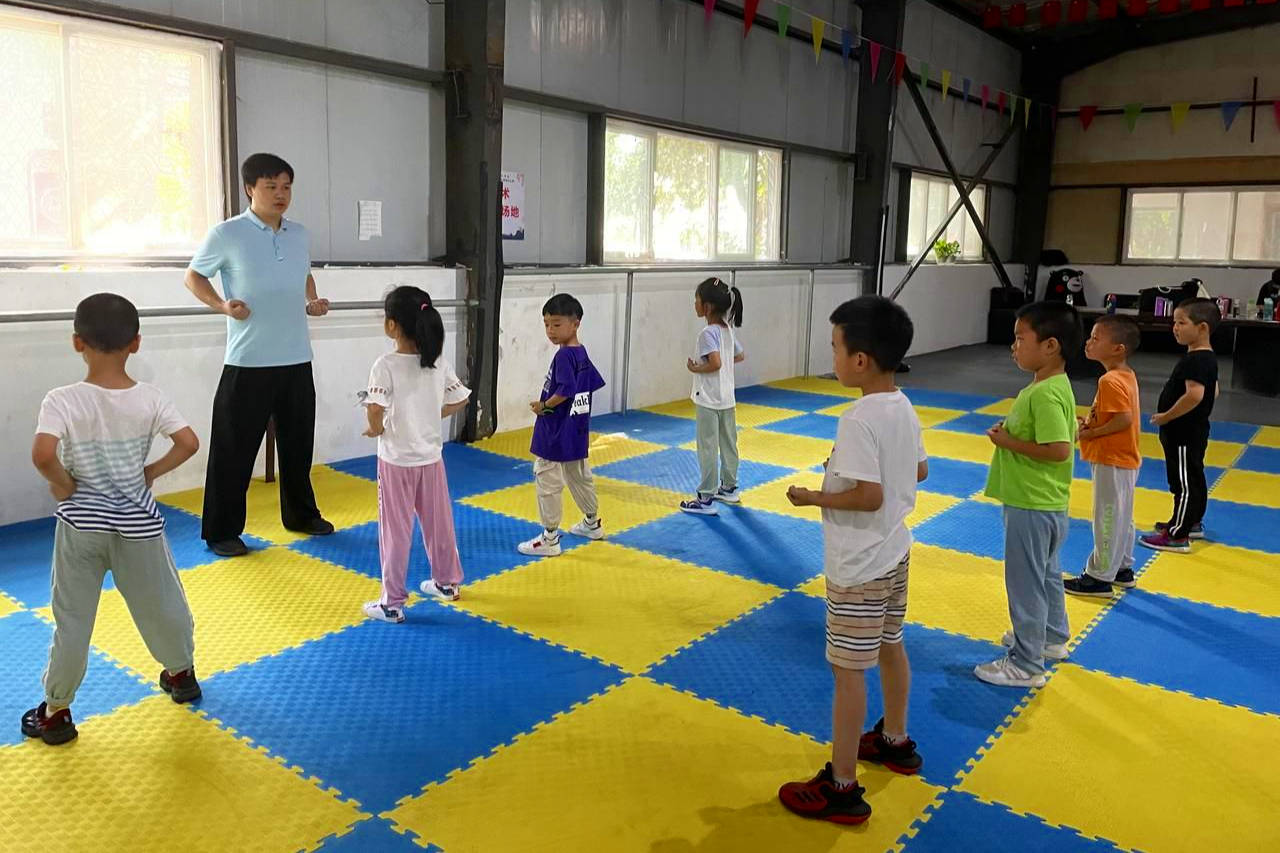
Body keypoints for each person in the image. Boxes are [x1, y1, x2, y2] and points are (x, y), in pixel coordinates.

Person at [23, 294, 202, 745]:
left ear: (76, 342)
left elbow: (43, 454)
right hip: (138, 526)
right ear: (136, 344)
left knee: (72, 620)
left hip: (81, 527)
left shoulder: (62, 399)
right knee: (161, 604)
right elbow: (188, 442)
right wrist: (150, 472)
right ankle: (181, 674)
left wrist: (65, 486)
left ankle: (57, 711)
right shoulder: (151, 398)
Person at [778, 296, 926, 826]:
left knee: (847, 672)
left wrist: (814, 497)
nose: (833, 358)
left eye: (836, 349)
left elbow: (869, 497)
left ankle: (842, 786)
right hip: (895, 553)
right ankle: (896, 739)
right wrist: (844, 470)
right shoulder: (903, 405)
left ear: (860, 359)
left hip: (859, 565)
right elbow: (918, 472)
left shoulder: (857, 417)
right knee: (891, 646)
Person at [185, 153, 333, 558]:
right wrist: (221, 306)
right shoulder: (227, 233)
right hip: (247, 361)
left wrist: (311, 300)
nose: (281, 194)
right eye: (271, 186)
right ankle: (221, 531)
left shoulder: (299, 233)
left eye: (286, 186)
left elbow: (303, 273)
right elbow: (193, 276)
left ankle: (301, 515)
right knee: (233, 450)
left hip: (296, 357)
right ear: (250, 188)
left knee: (299, 445)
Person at [976, 301, 1079, 689]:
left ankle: (1025, 662)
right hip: (1046, 503)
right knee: (1047, 574)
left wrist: (1007, 441)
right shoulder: (1053, 386)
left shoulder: (1044, 394)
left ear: (1050, 345)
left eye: (1021, 339)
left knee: (1025, 582)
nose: (1014, 346)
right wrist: (1013, 434)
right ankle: (1051, 637)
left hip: (1032, 503)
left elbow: (1059, 449)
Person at [360, 287, 471, 623]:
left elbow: (375, 408)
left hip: (396, 461)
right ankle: (448, 583)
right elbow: (462, 399)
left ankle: (392, 603)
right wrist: (428, 415)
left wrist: (377, 428)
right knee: (439, 524)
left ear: (392, 326)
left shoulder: (386, 364)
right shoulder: (436, 361)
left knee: (395, 531)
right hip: (431, 459)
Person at [516, 294, 607, 557]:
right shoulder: (581, 352)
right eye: (546, 325)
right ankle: (591, 522)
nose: (550, 331)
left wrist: (544, 406)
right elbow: (590, 384)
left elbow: (566, 389)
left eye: (556, 324)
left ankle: (550, 537)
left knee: (547, 478)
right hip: (576, 430)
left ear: (575, 323)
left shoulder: (564, 356)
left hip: (555, 430)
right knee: (579, 475)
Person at [1066, 316, 1142, 598]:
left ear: (1118, 349)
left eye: (1097, 338)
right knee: (1122, 515)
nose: (1089, 342)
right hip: (1122, 458)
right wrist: (1091, 423)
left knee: (1107, 516)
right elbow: (1115, 416)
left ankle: (1098, 577)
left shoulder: (1110, 380)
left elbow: (1123, 420)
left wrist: (1088, 434)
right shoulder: (1125, 375)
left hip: (1113, 458)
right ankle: (1122, 567)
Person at [1140, 298, 1220, 553]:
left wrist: (1167, 416)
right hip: (1193, 429)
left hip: (1184, 432)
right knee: (1193, 477)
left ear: (1202, 328)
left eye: (1181, 323)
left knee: (1184, 483)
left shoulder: (1195, 360)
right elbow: (1213, 391)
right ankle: (1188, 521)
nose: (1175, 327)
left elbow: (1195, 395)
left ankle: (1178, 534)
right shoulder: (1206, 357)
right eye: (1174, 322)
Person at [680, 277, 746, 515]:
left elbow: (715, 363)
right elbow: (738, 356)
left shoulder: (707, 333)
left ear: (707, 306)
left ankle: (706, 497)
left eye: (696, 300)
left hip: (708, 399)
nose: (694, 304)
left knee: (707, 446)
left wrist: (695, 368)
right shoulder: (727, 330)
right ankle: (729, 487)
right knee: (729, 443)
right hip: (727, 397)